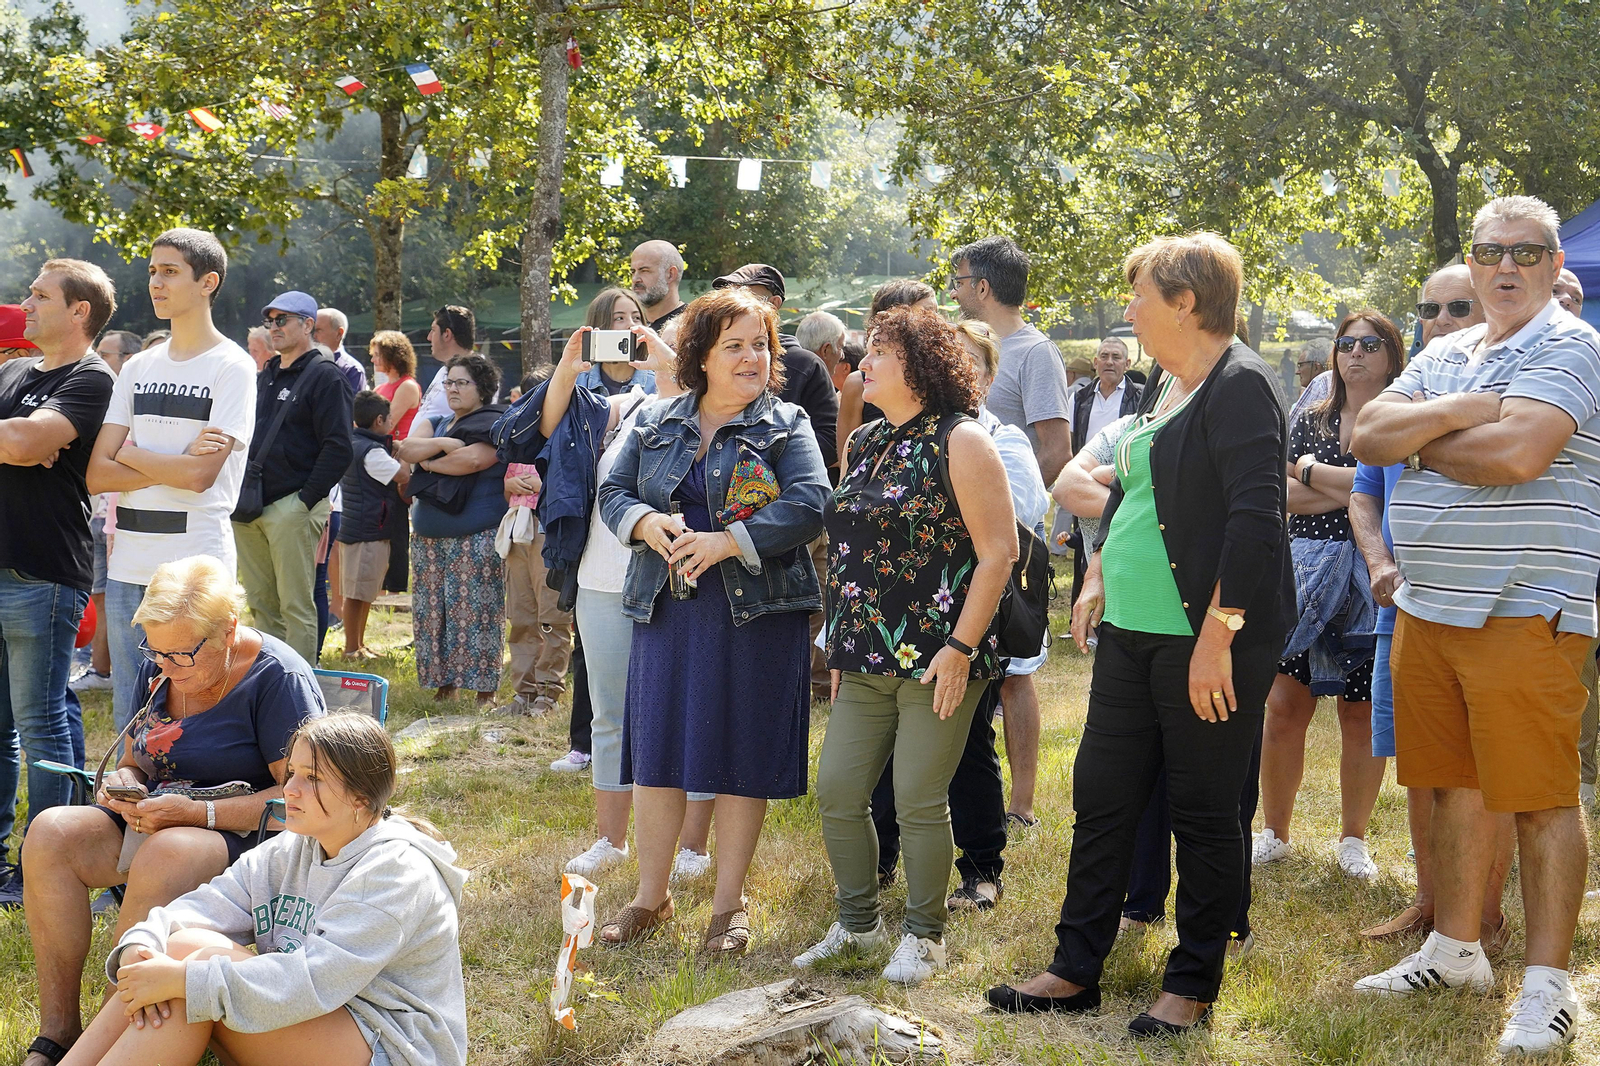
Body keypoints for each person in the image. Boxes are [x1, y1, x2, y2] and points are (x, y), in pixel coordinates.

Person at [986, 232, 1293, 1036]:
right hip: (1131, 629)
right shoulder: (1167, 380)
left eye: (1139, 296)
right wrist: (1097, 576)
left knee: (1202, 811)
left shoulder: (1242, 385)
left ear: (1186, 301)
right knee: (1104, 798)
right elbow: (1140, 494)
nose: (1126, 311)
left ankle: (1191, 984)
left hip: (1205, 638)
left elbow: (1255, 525)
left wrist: (1219, 639)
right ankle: (1072, 969)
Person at [1349, 195, 1600, 1055]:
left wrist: (1416, 440)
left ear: (1555, 264)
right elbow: (1366, 432)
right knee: (1451, 784)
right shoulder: (1449, 350)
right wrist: (1463, 414)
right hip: (1429, 605)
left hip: (1525, 605)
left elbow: (1522, 454)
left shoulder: (1571, 345)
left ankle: (1550, 988)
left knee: (1538, 799)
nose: (1506, 268)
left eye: (1526, 254)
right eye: (1491, 250)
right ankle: (1456, 950)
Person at [595, 285, 829, 958]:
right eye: (736, 346)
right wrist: (644, 522)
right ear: (701, 354)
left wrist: (730, 541)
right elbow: (613, 491)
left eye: (762, 344)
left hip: (756, 616)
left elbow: (813, 500)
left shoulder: (786, 423)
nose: (753, 357)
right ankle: (650, 897)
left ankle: (730, 905)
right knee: (659, 754)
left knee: (742, 756)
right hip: (668, 610)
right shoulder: (657, 420)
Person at [17, 555, 324, 1066]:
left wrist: (196, 814)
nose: (165, 667)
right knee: (50, 832)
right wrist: (125, 782)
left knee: (170, 851)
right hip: (158, 817)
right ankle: (59, 1031)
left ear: (227, 630)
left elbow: (299, 799)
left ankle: (116, 1032)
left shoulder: (277, 678)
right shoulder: (161, 662)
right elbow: (138, 759)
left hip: (244, 835)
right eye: (155, 652)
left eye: (181, 655)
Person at [798, 306, 1018, 985]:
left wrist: (959, 647)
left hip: (939, 660)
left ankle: (925, 938)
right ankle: (857, 925)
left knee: (919, 796)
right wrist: (840, 645)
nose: (862, 365)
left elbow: (999, 554)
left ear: (919, 367)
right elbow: (849, 554)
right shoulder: (866, 442)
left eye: (878, 355)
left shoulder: (964, 441)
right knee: (837, 791)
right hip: (864, 656)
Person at [58, 712, 466, 1066]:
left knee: (190, 983)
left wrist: (185, 981)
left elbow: (316, 980)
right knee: (183, 948)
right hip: (316, 1024)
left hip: (390, 1047)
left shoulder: (396, 871)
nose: (290, 789)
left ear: (360, 797)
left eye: (313, 779)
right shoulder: (293, 847)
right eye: (293, 773)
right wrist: (142, 943)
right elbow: (207, 906)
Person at [1351, 265, 1515, 953]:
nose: (1440, 319)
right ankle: (1431, 904)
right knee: (1423, 764)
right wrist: (1380, 563)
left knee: (1487, 770)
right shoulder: (1403, 390)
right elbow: (1364, 492)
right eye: (1428, 308)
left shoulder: (1511, 386)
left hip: (1486, 612)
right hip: (1403, 610)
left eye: (1457, 306)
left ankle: (1481, 916)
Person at [528, 329, 715, 880]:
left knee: (689, 713)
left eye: (678, 344)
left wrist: (668, 360)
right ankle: (611, 840)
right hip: (602, 578)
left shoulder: (710, 412)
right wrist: (566, 366)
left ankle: (692, 847)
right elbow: (547, 422)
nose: (647, 349)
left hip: (678, 579)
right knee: (610, 714)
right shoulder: (625, 405)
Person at [86, 227, 258, 731]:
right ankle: (124, 809)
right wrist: (173, 460)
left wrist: (134, 454)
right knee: (129, 713)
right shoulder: (137, 367)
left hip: (196, 564)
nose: (155, 283)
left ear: (208, 282)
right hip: (128, 565)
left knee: (195, 706)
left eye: (169, 271)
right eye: (151, 272)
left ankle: (186, 809)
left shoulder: (233, 366)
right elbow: (97, 472)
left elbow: (202, 476)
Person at [1253, 312, 1399, 880]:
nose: (1354, 354)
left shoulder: (1401, 418)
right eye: (1345, 344)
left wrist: (1313, 473)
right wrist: (1360, 491)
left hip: (1374, 578)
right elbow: (1279, 494)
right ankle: (1275, 831)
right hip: (1301, 579)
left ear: (1390, 353)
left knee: (1361, 713)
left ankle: (1353, 840)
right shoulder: (1308, 418)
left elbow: (1393, 497)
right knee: (1284, 707)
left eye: (1368, 344)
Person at [0, 259, 117, 910]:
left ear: (80, 312)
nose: (28, 304)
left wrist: (25, 442)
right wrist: (16, 441)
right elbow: (16, 442)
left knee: (42, 725)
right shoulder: (15, 371)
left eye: (41, 296)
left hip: (42, 574)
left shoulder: (92, 377)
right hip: (3, 565)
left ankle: (46, 868)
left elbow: (26, 443)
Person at [948, 236, 1069, 830]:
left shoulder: (1034, 352)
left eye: (959, 279)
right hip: (959, 546)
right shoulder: (954, 343)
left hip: (1010, 539)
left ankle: (1019, 804)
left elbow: (1054, 447)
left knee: (1016, 676)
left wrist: (1006, 517)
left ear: (984, 287)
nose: (953, 290)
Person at [712, 264, 841, 700]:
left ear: (773, 303)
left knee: (797, 603)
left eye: (741, 292)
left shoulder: (803, 364)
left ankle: (813, 688)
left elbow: (827, 439)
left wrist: (770, 464)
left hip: (788, 513)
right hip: (724, 519)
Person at [232, 290, 353, 664]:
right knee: (262, 605)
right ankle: (270, 685)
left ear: (308, 325)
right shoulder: (266, 374)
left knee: (296, 606)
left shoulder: (325, 376)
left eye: (282, 320)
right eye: (270, 321)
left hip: (291, 504)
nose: (274, 327)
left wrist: (304, 502)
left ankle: (301, 693)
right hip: (251, 505)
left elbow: (339, 447)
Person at [396, 353, 508, 703]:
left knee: (477, 613)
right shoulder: (438, 422)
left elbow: (473, 460)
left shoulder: (495, 422)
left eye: (462, 382)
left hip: (475, 537)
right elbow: (405, 449)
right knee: (434, 613)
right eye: (449, 382)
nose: (453, 389)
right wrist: (440, 448)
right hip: (429, 539)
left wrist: (425, 463)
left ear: (483, 388)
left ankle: (484, 691)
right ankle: (445, 687)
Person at [498, 370, 573, 718]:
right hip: (517, 531)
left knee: (552, 616)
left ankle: (549, 692)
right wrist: (512, 486)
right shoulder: (517, 435)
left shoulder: (569, 433)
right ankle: (523, 692)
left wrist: (543, 483)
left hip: (548, 532)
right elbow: (507, 484)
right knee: (522, 615)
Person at [835, 280, 938, 467]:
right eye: (926, 314)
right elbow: (848, 466)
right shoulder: (859, 383)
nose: (936, 323)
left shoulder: (943, 380)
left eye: (936, 315)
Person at [337, 391, 408, 661]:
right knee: (356, 595)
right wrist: (402, 454)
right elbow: (401, 475)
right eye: (389, 419)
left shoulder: (356, 443)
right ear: (379, 420)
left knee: (363, 592)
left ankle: (358, 644)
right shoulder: (372, 451)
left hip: (361, 526)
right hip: (367, 529)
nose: (391, 424)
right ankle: (351, 648)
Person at [370, 330, 420, 596]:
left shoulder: (407, 386)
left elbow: (386, 421)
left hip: (398, 458)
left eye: (379, 355)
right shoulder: (381, 386)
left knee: (398, 522)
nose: (375, 360)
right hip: (380, 457)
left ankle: (397, 582)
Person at [574, 287, 658, 395]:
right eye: (620, 318)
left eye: (636, 317)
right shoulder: (577, 384)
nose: (632, 324)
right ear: (599, 325)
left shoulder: (656, 385)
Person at [411, 305, 476, 436]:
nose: (429, 337)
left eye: (433, 330)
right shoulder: (444, 370)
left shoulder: (477, 373)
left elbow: (477, 426)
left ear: (447, 334)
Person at [629, 239, 688, 331]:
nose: (635, 279)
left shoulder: (693, 325)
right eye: (633, 272)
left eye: (644, 271)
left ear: (670, 274)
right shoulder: (631, 327)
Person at [313, 306, 367, 392]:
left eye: (318, 330)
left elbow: (352, 404)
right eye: (311, 330)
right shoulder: (303, 364)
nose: (313, 336)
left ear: (339, 334)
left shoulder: (352, 370)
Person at [795, 310, 847, 388]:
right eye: (840, 348)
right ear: (825, 350)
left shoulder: (782, 376)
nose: (842, 356)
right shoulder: (819, 389)